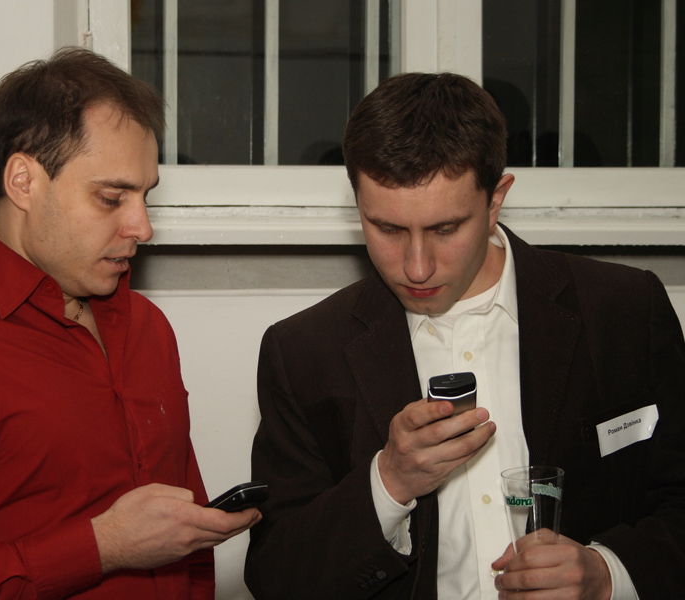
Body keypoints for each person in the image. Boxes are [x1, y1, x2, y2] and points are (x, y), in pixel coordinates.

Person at [244, 72, 685, 599]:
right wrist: (389, 482)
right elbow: (277, 576)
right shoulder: (303, 352)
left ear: (496, 200)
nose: (417, 267)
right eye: (387, 229)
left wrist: (607, 573)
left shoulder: (624, 310)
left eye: (445, 229)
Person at [0, 47, 260, 599]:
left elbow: (185, 540)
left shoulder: (148, 327)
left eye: (145, 196)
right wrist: (102, 547)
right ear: (23, 181)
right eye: (111, 198)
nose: (142, 227)